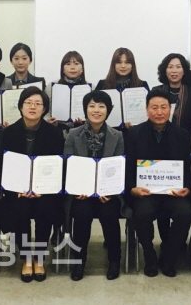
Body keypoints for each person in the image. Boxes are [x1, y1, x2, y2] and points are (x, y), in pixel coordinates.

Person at [126, 89, 191, 277]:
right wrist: (132, 189)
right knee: (142, 213)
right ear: (147, 110)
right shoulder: (134, 134)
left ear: (170, 110)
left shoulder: (183, 135)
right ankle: (149, 255)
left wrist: (188, 188)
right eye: (154, 107)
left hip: (174, 193)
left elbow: (189, 167)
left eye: (164, 107)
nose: (159, 112)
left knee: (185, 213)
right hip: (145, 192)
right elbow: (128, 166)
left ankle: (169, 256)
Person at [0, 87, 64, 283]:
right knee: (20, 208)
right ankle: (26, 257)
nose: (33, 107)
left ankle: (39, 257)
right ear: (20, 106)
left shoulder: (54, 133)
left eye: (38, 103)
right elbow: (5, 165)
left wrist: (41, 188)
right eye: (28, 103)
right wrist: (17, 188)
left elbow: (57, 165)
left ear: (44, 109)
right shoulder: (9, 133)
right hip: (17, 190)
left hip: (45, 190)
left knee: (46, 207)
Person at [64, 91, 125, 281]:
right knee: (82, 212)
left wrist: (110, 191)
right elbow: (68, 164)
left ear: (108, 111)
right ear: (85, 110)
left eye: (101, 106)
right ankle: (79, 261)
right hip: (81, 192)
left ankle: (114, 260)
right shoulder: (73, 135)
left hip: (108, 192)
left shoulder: (117, 136)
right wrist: (77, 188)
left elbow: (118, 167)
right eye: (91, 106)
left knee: (109, 212)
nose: (96, 110)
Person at [152, 53, 191, 136]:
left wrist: (186, 139)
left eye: (178, 67)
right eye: (170, 67)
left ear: (184, 71)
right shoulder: (156, 91)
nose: (174, 70)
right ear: (165, 71)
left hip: (186, 139)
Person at [47, 50, 88, 138]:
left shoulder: (89, 88)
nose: (72, 67)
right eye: (68, 64)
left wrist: (84, 122)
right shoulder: (51, 87)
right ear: (63, 69)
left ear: (82, 69)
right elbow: (45, 110)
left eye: (76, 64)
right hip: (56, 133)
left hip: (82, 134)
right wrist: (49, 120)